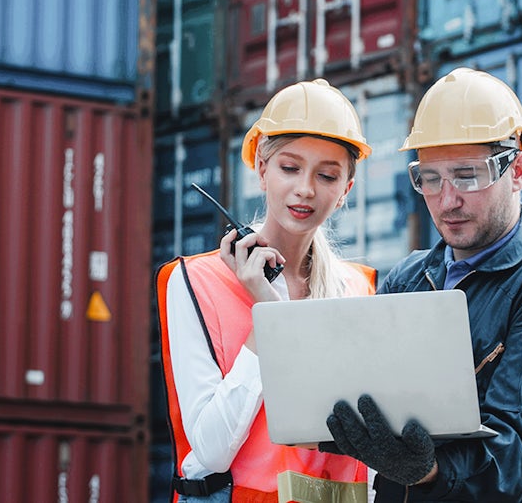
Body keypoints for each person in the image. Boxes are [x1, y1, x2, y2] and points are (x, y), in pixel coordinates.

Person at [319, 67, 522, 502]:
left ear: (519, 171)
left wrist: (428, 472)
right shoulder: (408, 280)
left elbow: (511, 453)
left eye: (467, 175)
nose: (447, 199)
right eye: (430, 179)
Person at [156, 78, 377, 502]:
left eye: (327, 175)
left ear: (346, 189)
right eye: (289, 168)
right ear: (261, 168)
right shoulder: (194, 282)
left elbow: (368, 465)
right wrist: (270, 318)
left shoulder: (360, 288)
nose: (306, 189)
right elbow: (212, 451)